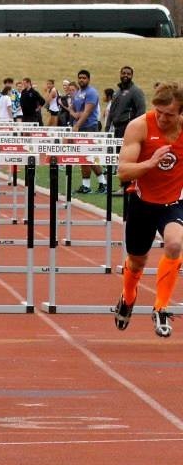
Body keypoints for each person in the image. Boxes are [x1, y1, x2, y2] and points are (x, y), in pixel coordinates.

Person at [114, 81, 183, 338]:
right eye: (159, 112)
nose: (163, 118)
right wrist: (151, 162)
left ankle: (161, 307)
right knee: (136, 260)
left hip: (174, 201)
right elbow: (123, 170)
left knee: (175, 244)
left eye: (170, 114)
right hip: (143, 201)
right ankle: (128, 297)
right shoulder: (140, 126)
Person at [69, 69, 105, 194]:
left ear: (88, 79)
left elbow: (87, 112)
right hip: (80, 126)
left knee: (86, 157)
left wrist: (77, 124)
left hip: (89, 127)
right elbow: (72, 109)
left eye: (84, 78)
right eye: (80, 78)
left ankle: (89, 185)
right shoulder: (78, 92)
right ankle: (101, 183)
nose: (81, 80)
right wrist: (75, 114)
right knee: (84, 157)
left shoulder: (91, 92)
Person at [105, 65, 146, 140]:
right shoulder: (117, 92)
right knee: (116, 151)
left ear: (132, 76)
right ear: (120, 74)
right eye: (123, 73)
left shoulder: (136, 91)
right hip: (115, 129)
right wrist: (107, 128)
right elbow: (111, 111)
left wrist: (135, 129)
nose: (125, 75)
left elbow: (141, 112)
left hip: (128, 128)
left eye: (128, 74)